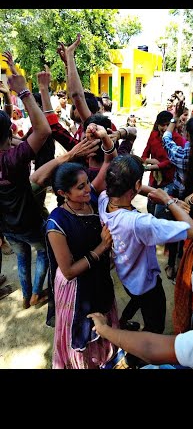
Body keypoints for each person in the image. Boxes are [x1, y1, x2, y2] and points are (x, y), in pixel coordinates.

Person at [99, 154, 193, 335]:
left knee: (135, 298)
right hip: (147, 284)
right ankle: (142, 352)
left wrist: (163, 196)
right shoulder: (140, 223)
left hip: (127, 274)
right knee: (155, 325)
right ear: (136, 185)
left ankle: (123, 321)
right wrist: (168, 201)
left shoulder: (103, 198)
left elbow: (131, 187)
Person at [44, 124, 118, 368]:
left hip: (98, 279)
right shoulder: (57, 223)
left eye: (87, 182)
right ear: (63, 193)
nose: (88, 189)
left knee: (103, 323)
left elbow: (109, 163)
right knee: (83, 334)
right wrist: (101, 249)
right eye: (81, 187)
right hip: (76, 291)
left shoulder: (91, 197)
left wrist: (104, 138)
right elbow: (68, 271)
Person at [0, 52, 52, 309]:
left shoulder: (12, 153)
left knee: (21, 257)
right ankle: (35, 295)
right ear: (9, 131)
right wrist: (23, 91)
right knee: (42, 250)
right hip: (28, 221)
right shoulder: (13, 158)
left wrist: (11, 72)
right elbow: (43, 130)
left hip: (6, 225)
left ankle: (25, 297)